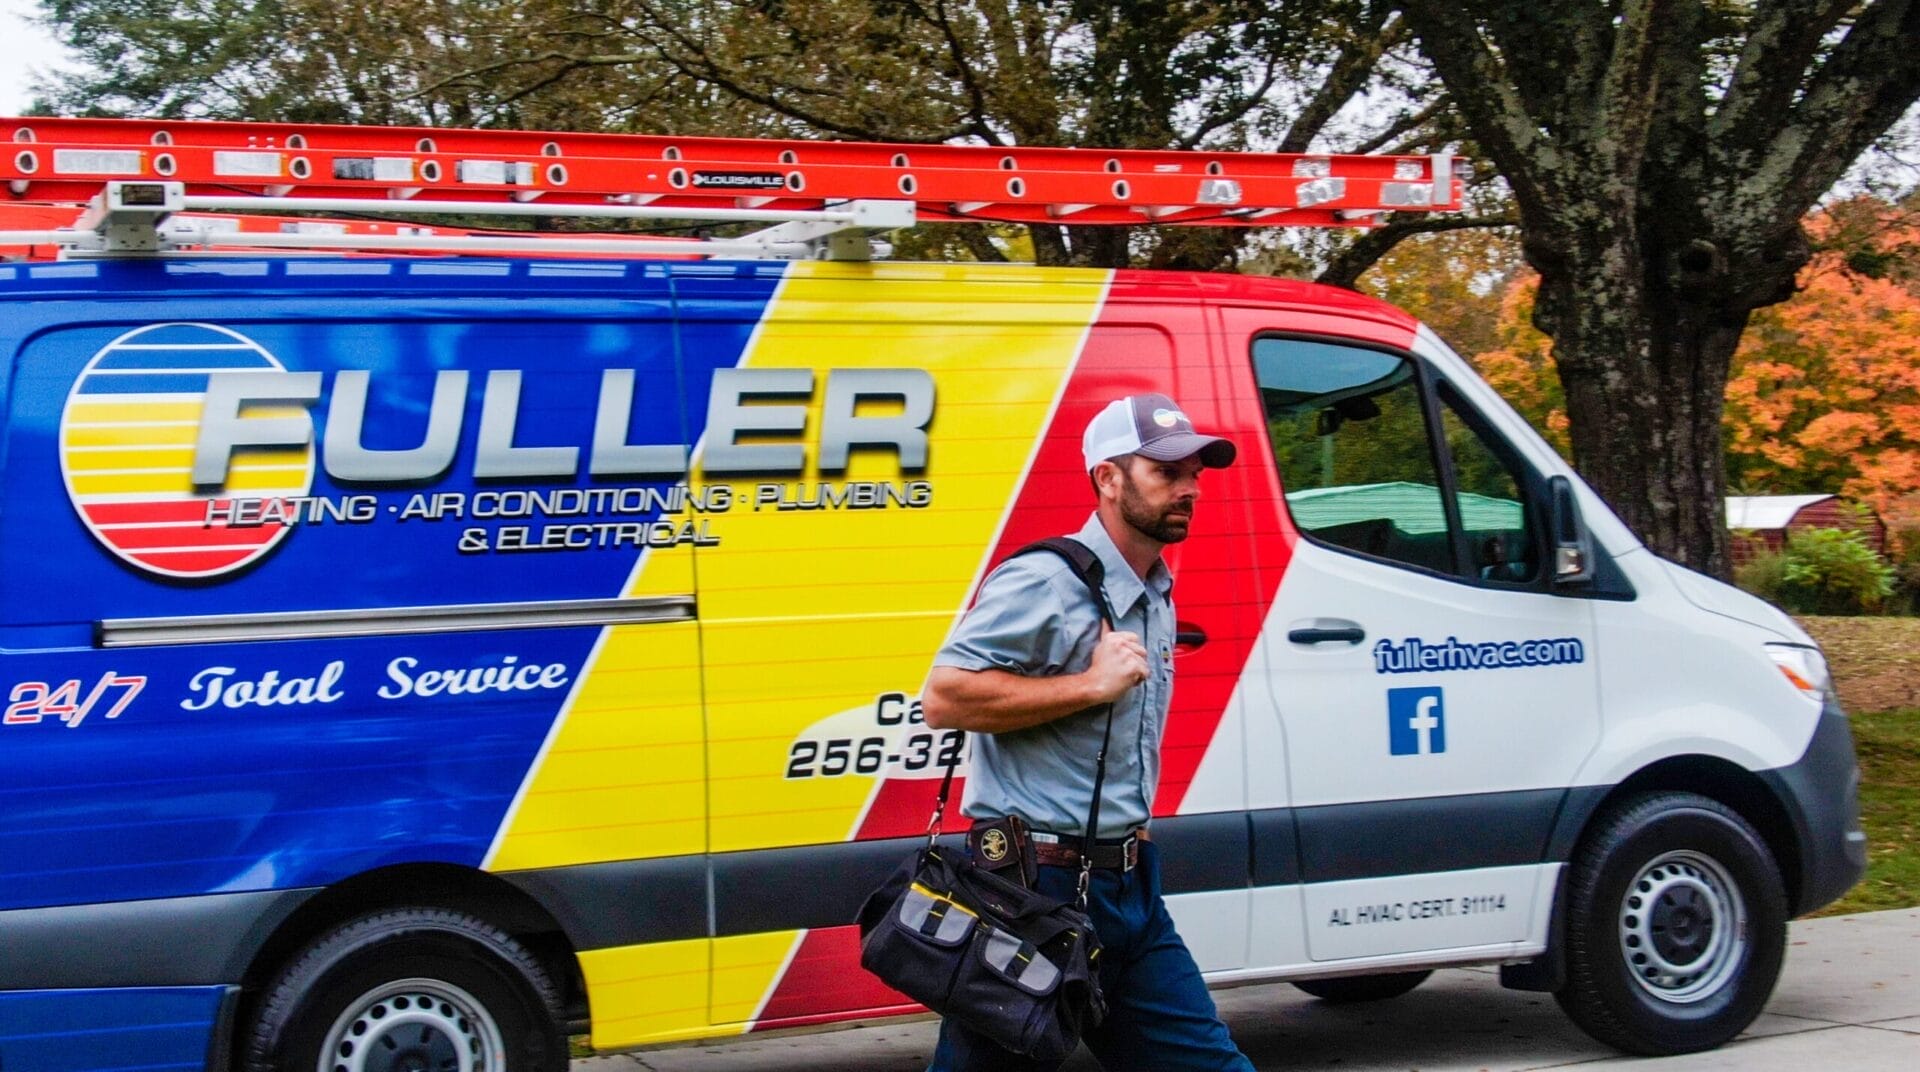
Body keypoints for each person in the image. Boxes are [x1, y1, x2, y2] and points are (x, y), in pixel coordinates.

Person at [921, 393, 1254, 1072]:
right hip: (1032, 893)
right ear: (1107, 477)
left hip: (1127, 891)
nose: (1190, 487)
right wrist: (1089, 686)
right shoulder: (1045, 580)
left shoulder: (1153, 587)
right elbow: (943, 697)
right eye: (1167, 472)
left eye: (1195, 472)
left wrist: (1136, 838)